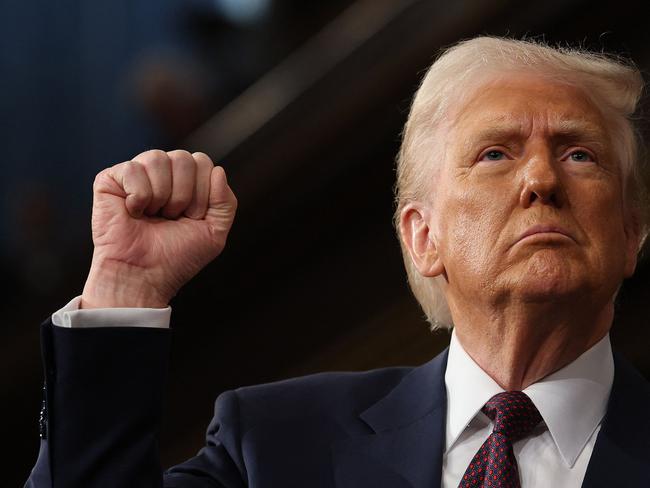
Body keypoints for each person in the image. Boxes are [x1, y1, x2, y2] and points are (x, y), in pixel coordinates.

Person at [26, 36, 650, 488]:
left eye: (579, 155)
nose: (541, 177)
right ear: (422, 236)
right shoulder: (271, 444)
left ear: (630, 233)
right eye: (495, 154)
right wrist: (125, 288)